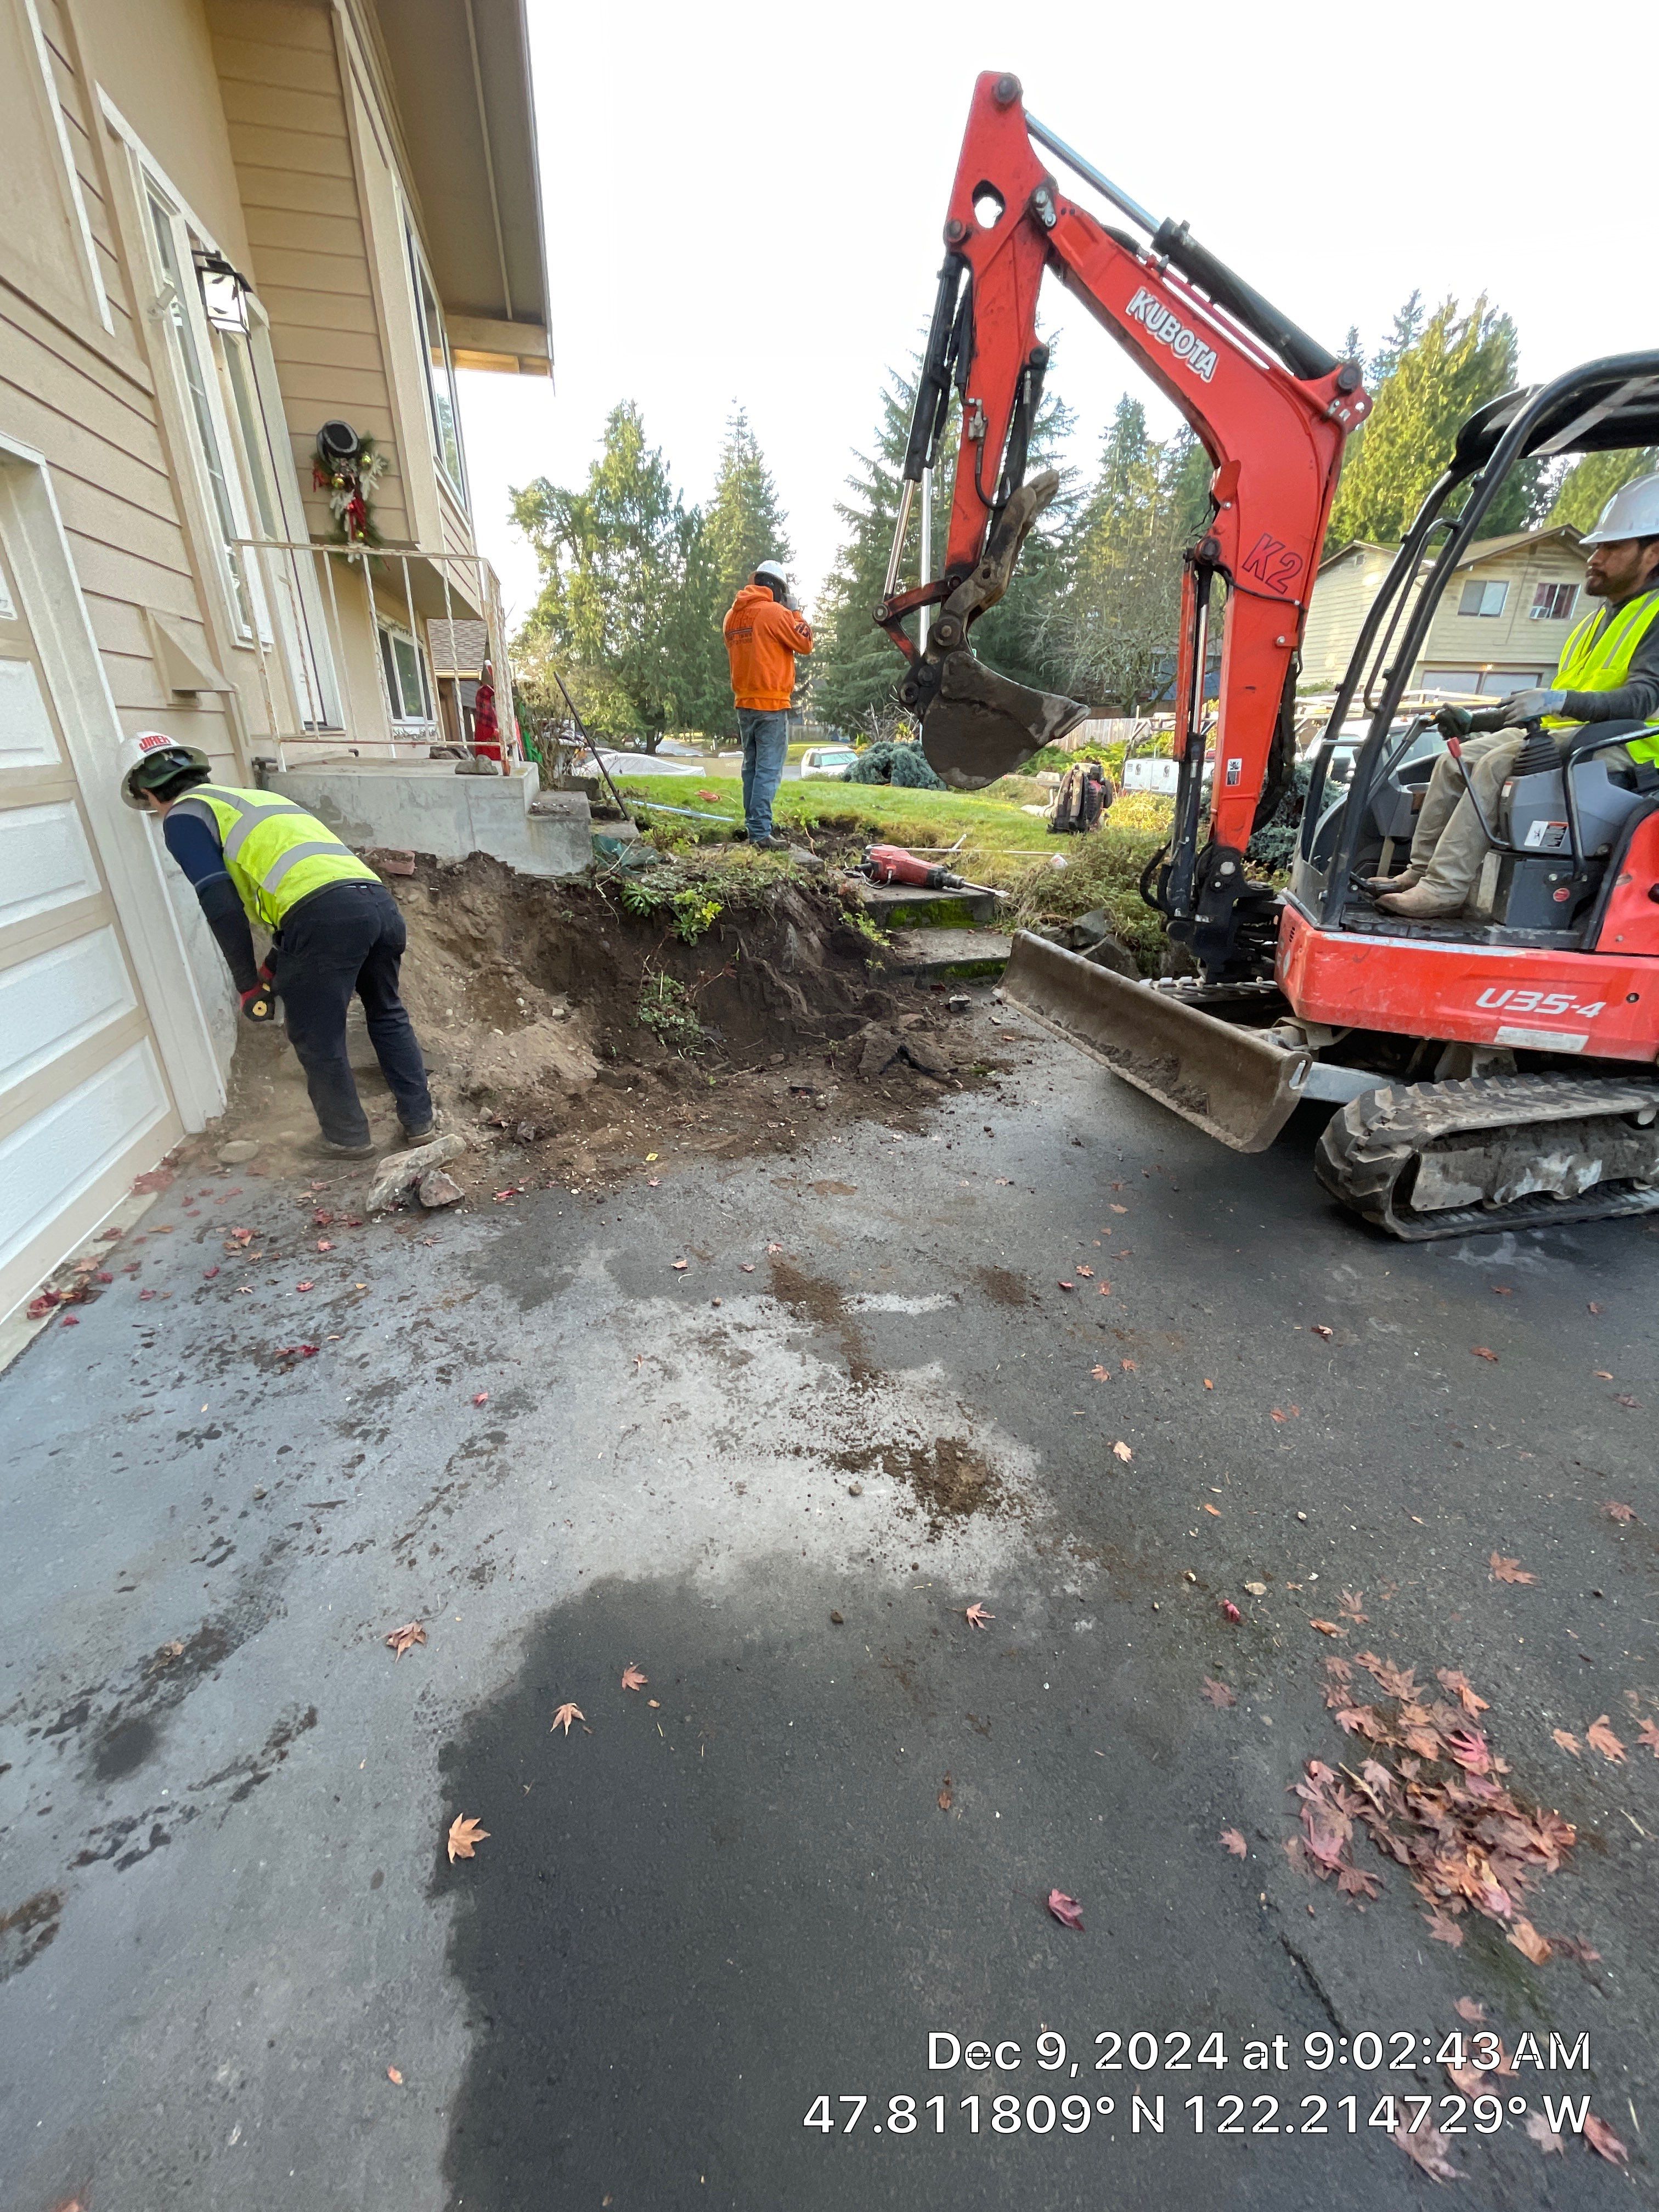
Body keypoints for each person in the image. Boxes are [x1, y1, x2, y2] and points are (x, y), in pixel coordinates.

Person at [119, 731, 435, 1157]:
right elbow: (300, 890)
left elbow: (221, 902)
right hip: (376, 905)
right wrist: (271, 969)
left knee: (315, 1034)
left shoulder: (184, 817)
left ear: (145, 790)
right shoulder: (255, 801)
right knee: (386, 1011)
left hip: (324, 916)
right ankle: (420, 1121)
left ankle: (346, 1137)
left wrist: (247, 984)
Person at [1370, 472, 1659, 918]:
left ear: (1653, 553)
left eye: (1611, 548)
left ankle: (1445, 890)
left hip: (1628, 748)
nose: (1594, 557)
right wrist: (1477, 722)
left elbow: (1642, 699)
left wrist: (1558, 701)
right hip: (1574, 736)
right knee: (1455, 759)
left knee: (1494, 766)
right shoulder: (1596, 622)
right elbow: (1548, 710)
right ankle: (1421, 871)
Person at [722, 559, 813, 848]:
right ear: (775, 588)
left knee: (752, 766)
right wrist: (795, 610)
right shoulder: (773, 613)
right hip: (770, 704)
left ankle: (754, 827)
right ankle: (761, 834)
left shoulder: (731, 617)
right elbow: (805, 643)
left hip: (744, 702)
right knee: (769, 770)